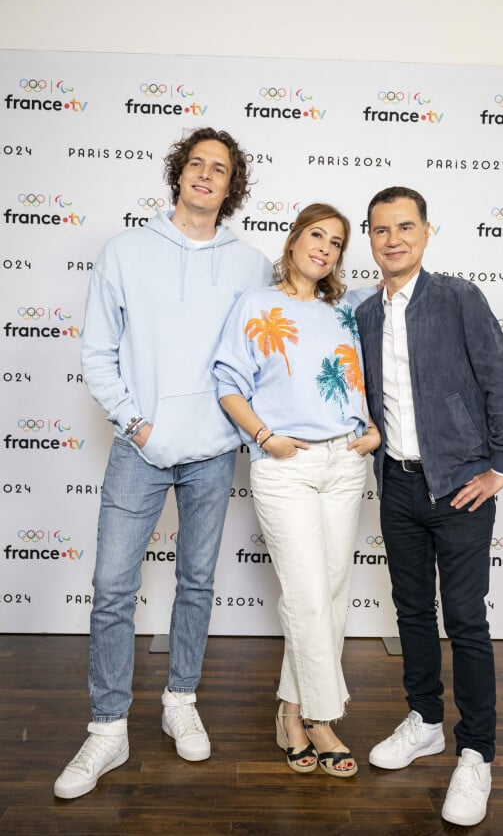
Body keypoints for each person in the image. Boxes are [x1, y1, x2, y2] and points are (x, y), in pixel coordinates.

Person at [53, 127, 272, 800]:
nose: (206, 175)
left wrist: (241, 430)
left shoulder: (252, 264)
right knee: (114, 586)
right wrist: (135, 422)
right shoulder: (125, 251)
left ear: (233, 187)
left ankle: (181, 700)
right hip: (139, 449)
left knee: (198, 581)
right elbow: (98, 350)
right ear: (179, 174)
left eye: (220, 169)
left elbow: (261, 357)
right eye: (197, 164)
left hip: (212, 452)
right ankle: (108, 726)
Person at [356, 186, 503, 825]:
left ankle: (477, 753)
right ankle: (425, 719)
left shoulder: (459, 298)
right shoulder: (364, 314)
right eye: (380, 229)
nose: (393, 238)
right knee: (409, 611)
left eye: (405, 226)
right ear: (369, 238)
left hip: (459, 485)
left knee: (465, 619)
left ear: (427, 233)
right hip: (398, 486)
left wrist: (501, 466)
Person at [213, 203, 381, 778]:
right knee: (308, 596)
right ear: (294, 239)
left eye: (336, 243)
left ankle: (289, 711)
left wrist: (373, 425)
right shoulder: (257, 305)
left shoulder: (347, 310)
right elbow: (228, 383)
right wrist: (264, 436)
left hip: (345, 464)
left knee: (330, 596)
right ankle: (323, 718)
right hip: (286, 466)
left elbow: (375, 373)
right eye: (317, 235)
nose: (326, 249)